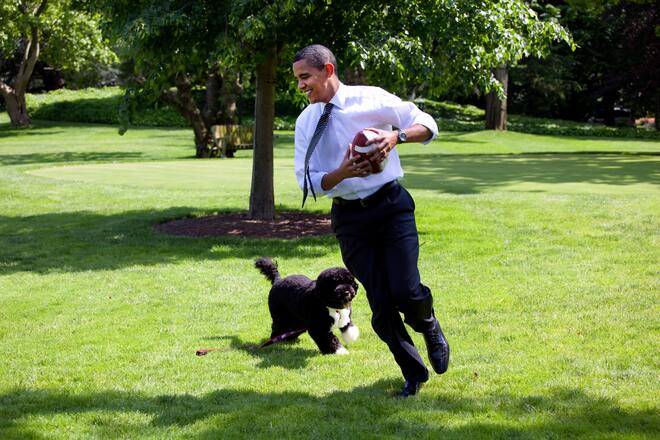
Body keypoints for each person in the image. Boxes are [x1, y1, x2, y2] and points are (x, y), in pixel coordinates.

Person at [292, 44, 449, 397]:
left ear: (328, 71)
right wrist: (342, 172)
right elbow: (307, 181)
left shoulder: (371, 99)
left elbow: (428, 123)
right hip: (350, 220)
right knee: (380, 303)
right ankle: (413, 374)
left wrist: (396, 136)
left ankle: (429, 324)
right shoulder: (305, 122)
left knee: (406, 291)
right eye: (298, 79)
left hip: (391, 207)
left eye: (306, 77)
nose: (301, 85)